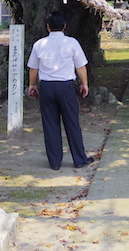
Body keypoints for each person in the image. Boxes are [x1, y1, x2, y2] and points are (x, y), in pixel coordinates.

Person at [27, 11, 95, 170]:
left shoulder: (39, 44)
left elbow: (33, 68)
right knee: (72, 123)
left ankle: (55, 162)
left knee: (50, 124)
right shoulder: (72, 43)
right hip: (66, 87)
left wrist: (32, 85)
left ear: (48, 27)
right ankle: (79, 159)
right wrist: (84, 83)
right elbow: (81, 66)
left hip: (47, 87)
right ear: (64, 26)